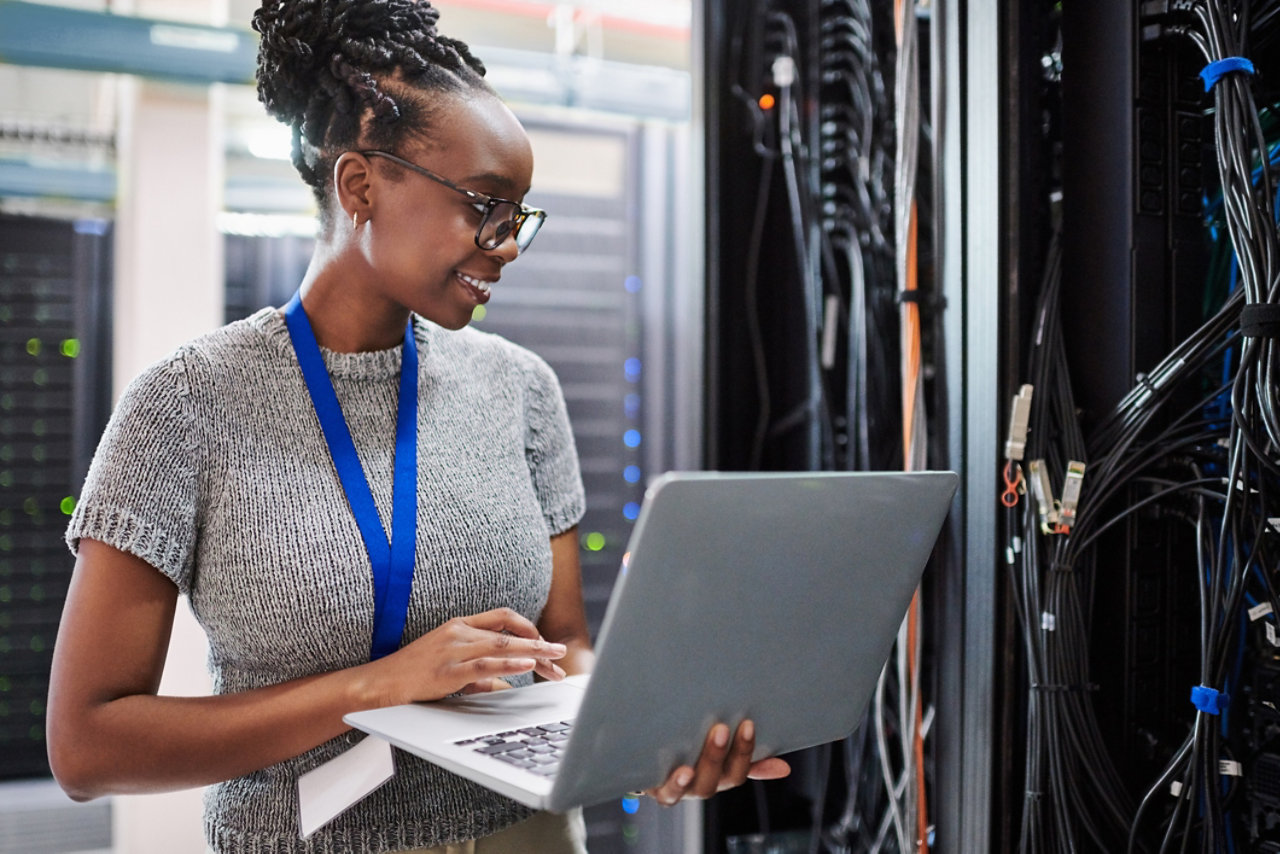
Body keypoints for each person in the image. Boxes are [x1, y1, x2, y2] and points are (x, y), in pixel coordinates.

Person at [45, 1, 789, 852]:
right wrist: (378, 687)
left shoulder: (521, 391)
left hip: (530, 836)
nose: (507, 244)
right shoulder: (187, 403)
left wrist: (649, 740)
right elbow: (87, 745)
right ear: (360, 186)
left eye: (519, 217)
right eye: (486, 206)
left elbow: (564, 649)